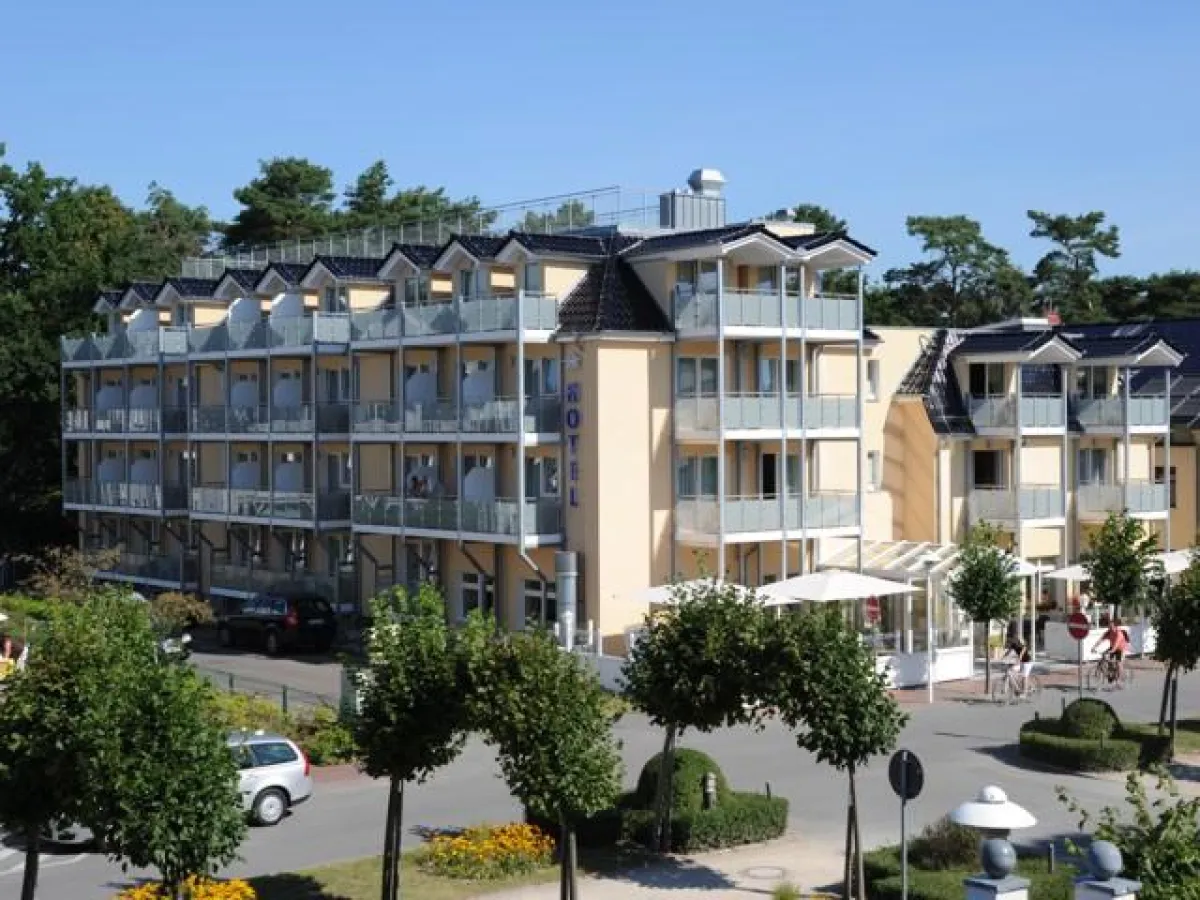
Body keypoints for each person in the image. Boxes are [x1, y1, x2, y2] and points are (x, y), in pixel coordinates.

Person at [1091, 617, 1130, 685]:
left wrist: (1111, 651)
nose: (1110, 628)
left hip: (1121, 648)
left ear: (1115, 626)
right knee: (1107, 659)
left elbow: (1116, 644)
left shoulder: (1119, 634)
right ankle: (1111, 674)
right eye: (1109, 626)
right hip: (1113, 647)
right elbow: (1100, 640)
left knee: (1118, 663)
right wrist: (1094, 647)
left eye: (1111, 626)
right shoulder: (1109, 632)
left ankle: (1119, 679)